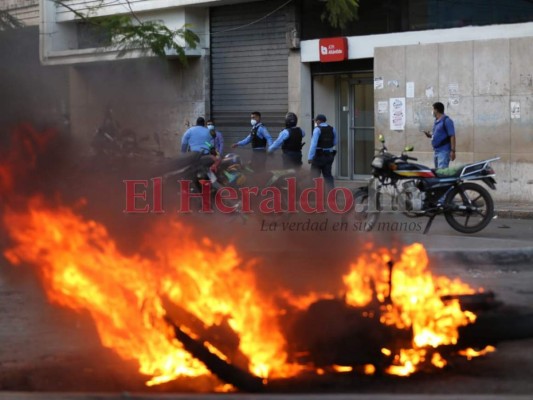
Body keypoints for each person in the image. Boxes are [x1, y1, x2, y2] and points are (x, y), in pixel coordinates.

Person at [308, 114, 337, 192]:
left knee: (314, 177)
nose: (316, 122)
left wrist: (310, 157)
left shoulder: (317, 129)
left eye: (316, 121)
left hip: (319, 156)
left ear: (319, 121)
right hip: (329, 155)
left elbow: (313, 145)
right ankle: (331, 194)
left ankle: (314, 194)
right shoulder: (332, 128)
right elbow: (335, 142)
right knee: (328, 176)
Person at [423, 102, 456, 169]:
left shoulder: (447, 121)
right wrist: (430, 135)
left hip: (444, 152)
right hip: (436, 151)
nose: (432, 111)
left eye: (432, 109)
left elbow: (452, 136)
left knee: (442, 174)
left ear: (436, 110)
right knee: (437, 173)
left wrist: (453, 151)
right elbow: (438, 134)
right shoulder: (436, 121)